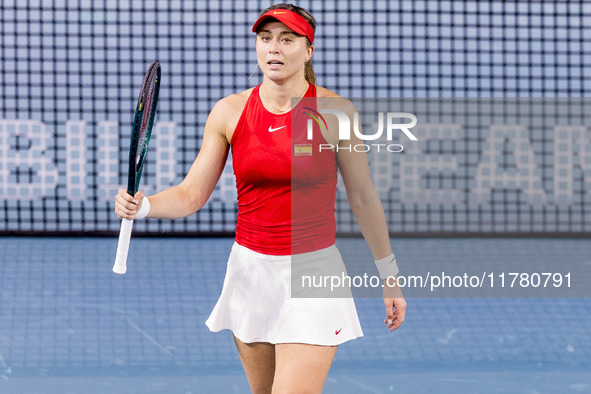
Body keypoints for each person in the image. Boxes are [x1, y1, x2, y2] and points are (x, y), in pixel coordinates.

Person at [114, 4, 406, 393]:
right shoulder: (229, 112)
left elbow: (364, 199)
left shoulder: (336, 113)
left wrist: (389, 276)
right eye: (266, 38)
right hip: (250, 274)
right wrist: (144, 206)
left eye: (287, 39)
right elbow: (190, 194)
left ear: (308, 50)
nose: (274, 48)